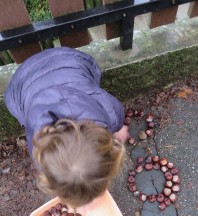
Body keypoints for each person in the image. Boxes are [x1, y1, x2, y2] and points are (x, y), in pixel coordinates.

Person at [4, 47, 129, 207]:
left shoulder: (108, 111)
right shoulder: (38, 145)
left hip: (65, 63)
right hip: (25, 82)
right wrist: (118, 128)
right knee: (24, 111)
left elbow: (116, 113)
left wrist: (118, 128)